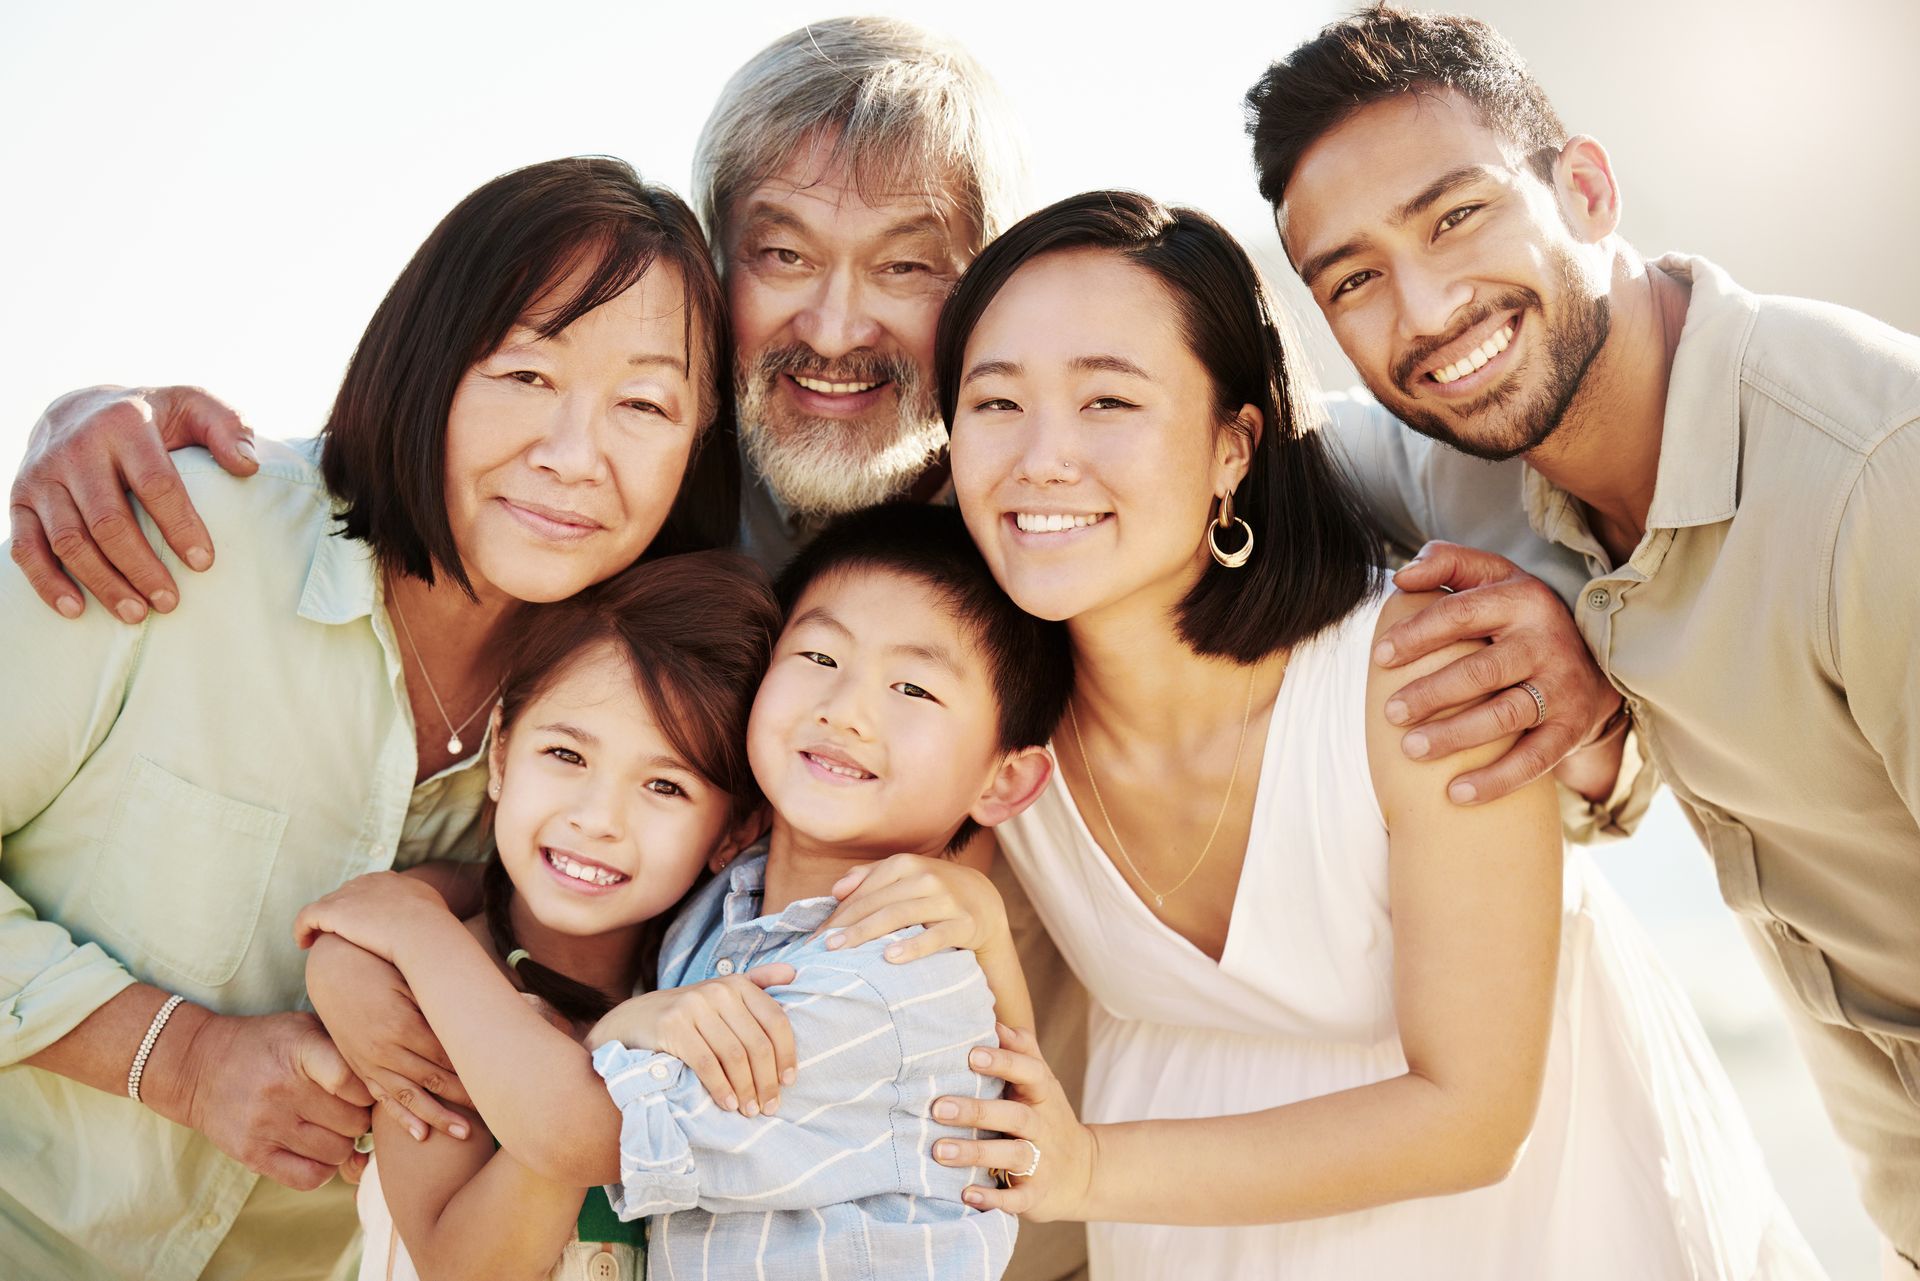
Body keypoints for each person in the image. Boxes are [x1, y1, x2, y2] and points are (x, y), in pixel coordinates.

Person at [888, 190, 1822, 1279]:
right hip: (1193, 1246)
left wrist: (1088, 1168)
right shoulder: (981, 730)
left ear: (1234, 447)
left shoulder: (1418, 674)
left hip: (1530, 1235)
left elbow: (1471, 1116)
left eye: (1107, 401)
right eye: (997, 403)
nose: (1043, 457)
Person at [1244, 8, 1920, 1273]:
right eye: (1354, 277)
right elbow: (1172, 466)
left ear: (1588, 188)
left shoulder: (1879, 477)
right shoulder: (1456, 470)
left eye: (1457, 217)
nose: (1430, 309)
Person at [0, 156, 734, 1281]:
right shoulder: (178, 536)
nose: (575, 454)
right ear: (428, 359)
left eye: (644, 404)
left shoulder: (635, 711)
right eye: (527, 372)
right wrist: (178, 1056)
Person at [298, 501, 1067, 1280]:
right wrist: (381, 926)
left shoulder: (868, 982)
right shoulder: (727, 899)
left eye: (915, 687)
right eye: (820, 658)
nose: (847, 709)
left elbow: (572, 1130)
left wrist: (417, 935)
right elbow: (526, 888)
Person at [302, 552, 779, 1281]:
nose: (597, 819)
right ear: (500, 750)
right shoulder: (429, 991)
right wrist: (607, 1068)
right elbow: (461, 1264)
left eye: (664, 784)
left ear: (733, 833)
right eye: (565, 752)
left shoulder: (718, 981)